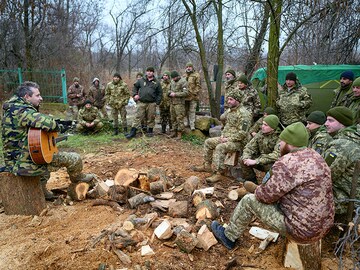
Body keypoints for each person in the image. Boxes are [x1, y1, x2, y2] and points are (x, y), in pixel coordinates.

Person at [211, 122, 334, 249]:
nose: (279, 145)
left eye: (281, 142)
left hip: (302, 231)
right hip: (324, 226)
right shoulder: (317, 157)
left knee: (249, 200)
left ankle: (228, 237)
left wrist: (257, 190)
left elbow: (265, 197)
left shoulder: (287, 162)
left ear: (289, 143)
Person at [1, 81, 94, 200]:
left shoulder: (12, 108)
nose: (41, 98)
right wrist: (58, 125)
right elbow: (49, 123)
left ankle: (41, 189)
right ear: (27, 97)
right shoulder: (21, 111)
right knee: (74, 158)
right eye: (37, 95)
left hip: (20, 158)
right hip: (25, 162)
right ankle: (78, 178)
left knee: (45, 158)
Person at [192, 91, 252, 183]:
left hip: (238, 142)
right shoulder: (230, 110)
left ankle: (219, 173)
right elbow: (226, 126)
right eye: (228, 99)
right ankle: (206, 165)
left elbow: (243, 133)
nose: (228, 101)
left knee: (220, 147)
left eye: (231, 99)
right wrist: (223, 135)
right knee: (208, 142)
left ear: (238, 101)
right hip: (227, 138)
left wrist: (228, 139)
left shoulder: (244, 114)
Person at [323, 106, 360, 215]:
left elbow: (324, 175)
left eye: (331, 120)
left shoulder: (342, 145)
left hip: (345, 198)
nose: (325, 123)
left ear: (343, 124)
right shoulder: (353, 138)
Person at [239, 115, 281, 183]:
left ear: (273, 128)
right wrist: (246, 158)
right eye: (262, 124)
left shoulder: (280, 137)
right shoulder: (261, 133)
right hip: (260, 160)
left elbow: (277, 155)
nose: (262, 126)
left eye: (265, 125)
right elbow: (249, 147)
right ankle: (251, 181)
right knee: (242, 159)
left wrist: (257, 161)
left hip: (271, 163)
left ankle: (268, 185)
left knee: (272, 167)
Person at [126, 66, 162, 139]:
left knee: (151, 117)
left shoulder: (157, 82)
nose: (149, 72)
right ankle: (133, 132)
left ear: (153, 73)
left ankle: (150, 131)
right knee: (138, 117)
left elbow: (160, 93)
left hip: (152, 103)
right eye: (148, 71)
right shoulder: (141, 80)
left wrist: (157, 102)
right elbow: (135, 88)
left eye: (151, 71)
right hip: (141, 102)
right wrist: (135, 95)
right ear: (146, 72)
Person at [168, 70, 188, 139]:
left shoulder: (183, 81)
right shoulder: (172, 82)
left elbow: (186, 93)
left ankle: (180, 133)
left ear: (177, 76)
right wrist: (169, 93)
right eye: (172, 78)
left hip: (179, 103)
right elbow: (169, 89)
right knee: (173, 118)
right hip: (172, 102)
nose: (173, 79)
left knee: (179, 118)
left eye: (174, 78)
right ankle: (174, 131)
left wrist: (175, 94)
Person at [184, 62, 201, 131]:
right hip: (185, 97)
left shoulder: (196, 75)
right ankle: (187, 123)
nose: (188, 68)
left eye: (190, 67)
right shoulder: (184, 75)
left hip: (193, 96)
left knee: (192, 111)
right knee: (185, 111)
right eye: (187, 67)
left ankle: (192, 125)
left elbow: (198, 86)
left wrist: (194, 93)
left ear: (192, 67)